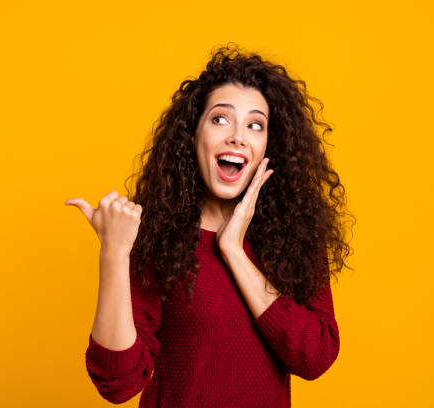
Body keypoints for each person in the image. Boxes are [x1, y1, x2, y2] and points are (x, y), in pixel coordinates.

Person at [65, 42, 354, 407]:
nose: (237, 136)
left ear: (268, 147)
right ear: (193, 135)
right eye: (220, 119)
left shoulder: (294, 238)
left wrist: (233, 250)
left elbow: (315, 356)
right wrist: (114, 253)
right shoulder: (155, 236)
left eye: (255, 125)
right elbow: (118, 384)